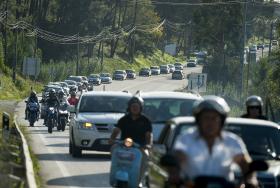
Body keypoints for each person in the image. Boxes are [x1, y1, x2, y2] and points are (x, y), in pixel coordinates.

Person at [173, 96, 258, 186]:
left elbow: (247, 167)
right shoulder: (185, 139)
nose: (210, 123)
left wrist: (251, 180)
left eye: (214, 118)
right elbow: (176, 161)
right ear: (198, 120)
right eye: (206, 118)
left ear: (222, 121)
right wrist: (174, 174)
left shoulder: (233, 142)